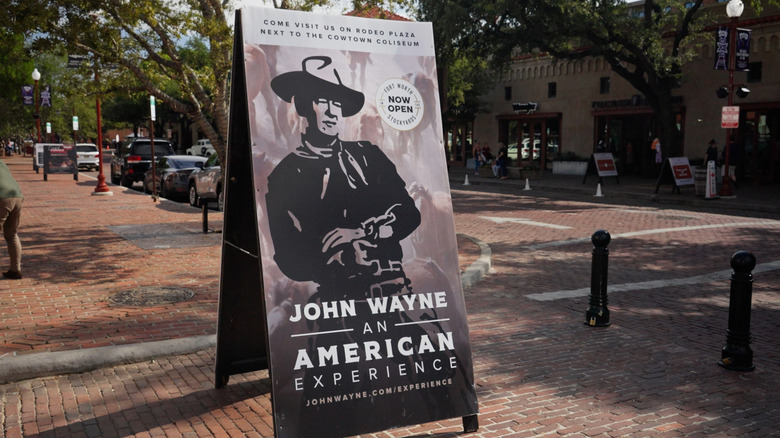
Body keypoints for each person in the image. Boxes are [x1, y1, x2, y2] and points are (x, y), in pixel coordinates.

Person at [0, 159, 23, 279]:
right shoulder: (1, 163)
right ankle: (15, 270)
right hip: (17, 196)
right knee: (12, 234)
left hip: (2, 197)